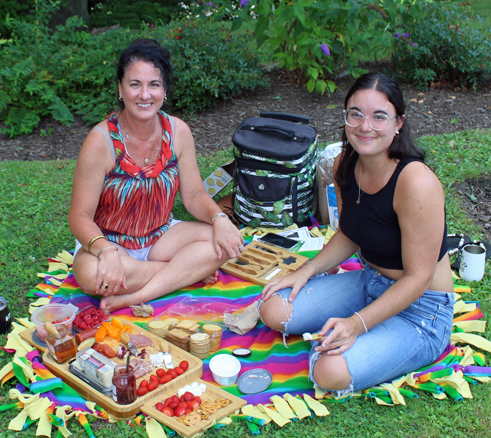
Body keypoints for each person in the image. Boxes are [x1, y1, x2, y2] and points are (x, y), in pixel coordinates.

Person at [259, 73, 454, 396]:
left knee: (329, 371)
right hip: (371, 283)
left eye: (379, 116)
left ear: (398, 123)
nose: (365, 126)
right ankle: (353, 335)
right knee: (275, 309)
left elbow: (418, 279)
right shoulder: (344, 164)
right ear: (345, 117)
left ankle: (359, 342)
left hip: (422, 311)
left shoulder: (416, 182)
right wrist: (305, 271)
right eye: (356, 114)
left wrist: (356, 324)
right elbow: (350, 232)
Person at [68, 39, 243, 313]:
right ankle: (180, 274)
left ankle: (134, 295)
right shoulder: (100, 142)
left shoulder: (178, 132)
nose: (144, 95)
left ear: (165, 90)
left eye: (154, 85)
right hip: (109, 241)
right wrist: (105, 251)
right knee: (93, 276)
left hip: (159, 236)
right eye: (135, 84)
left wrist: (219, 219)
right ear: (120, 89)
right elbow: (78, 217)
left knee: (218, 244)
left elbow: (195, 195)